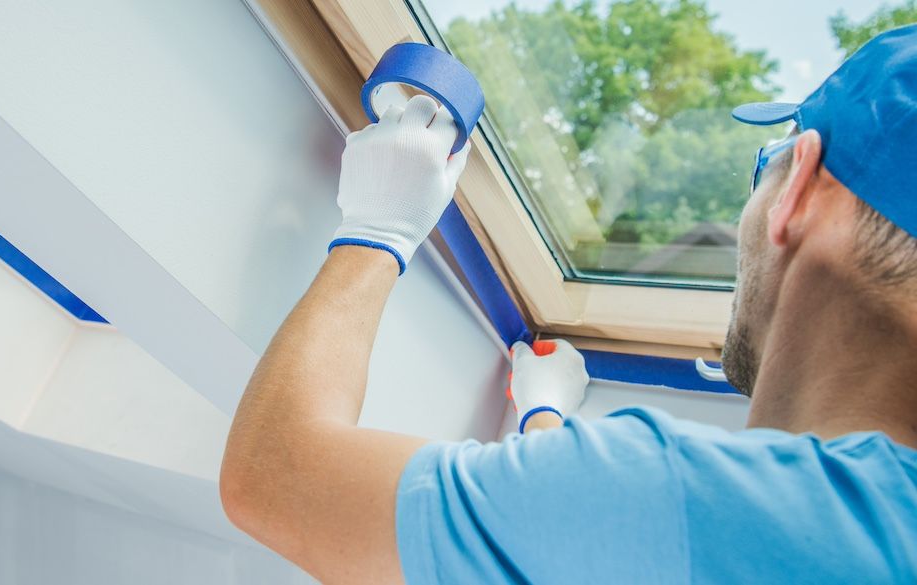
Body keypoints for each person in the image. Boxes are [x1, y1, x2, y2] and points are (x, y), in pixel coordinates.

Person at [219, 25, 917, 584]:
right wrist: (544, 418)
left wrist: (376, 232)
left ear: (800, 193)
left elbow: (276, 477)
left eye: (769, 161)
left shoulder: (686, 501)